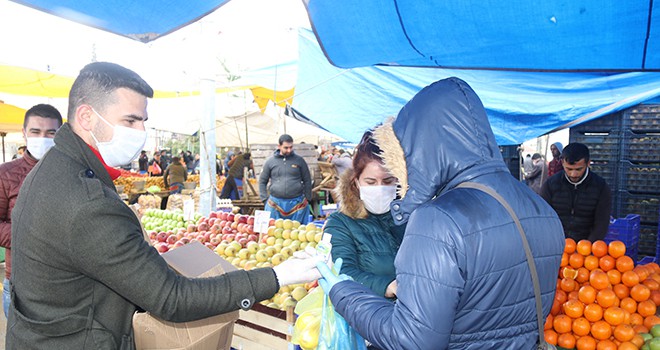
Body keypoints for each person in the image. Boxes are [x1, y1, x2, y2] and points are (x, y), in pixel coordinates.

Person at [7, 62, 322, 349]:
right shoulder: (87, 203)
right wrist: (277, 276)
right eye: (130, 120)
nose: (141, 133)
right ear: (87, 117)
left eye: (143, 121)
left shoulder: (52, 168)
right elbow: (172, 298)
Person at [316, 78, 565, 349]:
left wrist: (343, 292)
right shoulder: (542, 209)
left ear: (421, 147)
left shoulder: (438, 219)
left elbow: (412, 341)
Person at [324, 131, 405, 298]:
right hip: (371, 316)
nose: (380, 188)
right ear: (357, 182)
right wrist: (387, 287)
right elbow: (342, 272)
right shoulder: (340, 223)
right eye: (371, 182)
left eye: (388, 181)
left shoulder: (409, 217)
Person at [0, 104, 63, 318]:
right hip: (21, 282)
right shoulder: (5, 174)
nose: (42, 138)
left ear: (60, 135)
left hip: (64, 281)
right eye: (35, 131)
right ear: (25, 133)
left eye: (50, 133)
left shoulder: (72, 171)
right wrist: (32, 236)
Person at [540, 142, 612, 242]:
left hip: (587, 248)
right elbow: (543, 217)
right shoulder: (550, 185)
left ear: (588, 163)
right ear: (562, 163)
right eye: (569, 169)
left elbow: (602, 222)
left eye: (579, 169)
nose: (573, 174)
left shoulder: (601, 187)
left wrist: (588, 245)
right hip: (555, 244)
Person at [259, 134, 313, 224]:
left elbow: (307, 180)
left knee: (299, 234)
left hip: (297, 204)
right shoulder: (270, 162)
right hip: (275, 204)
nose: (289, 150)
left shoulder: (300, 161)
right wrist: (264, 199)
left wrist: (308, 198)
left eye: (291, 147)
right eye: (286, 148)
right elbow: (262, 181)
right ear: (279, 146)